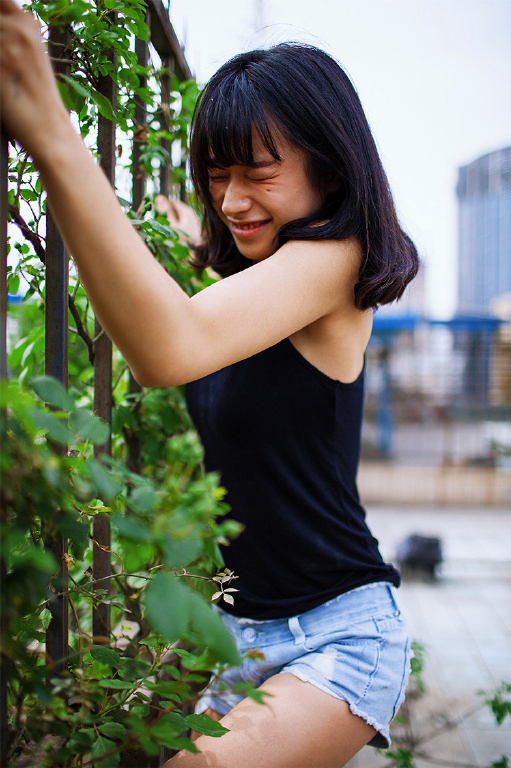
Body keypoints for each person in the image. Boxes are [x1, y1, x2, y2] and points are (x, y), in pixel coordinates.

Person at [0, 3, 419, 765]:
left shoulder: (339, 259)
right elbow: (192, 301)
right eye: (216, 175)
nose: (229, 201)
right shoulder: (259, 284)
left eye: (257, 174)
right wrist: (194, 242)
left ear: (330, 168)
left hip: (338, 634)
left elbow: (168, 347)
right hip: (238, 632)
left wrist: (52, 132)